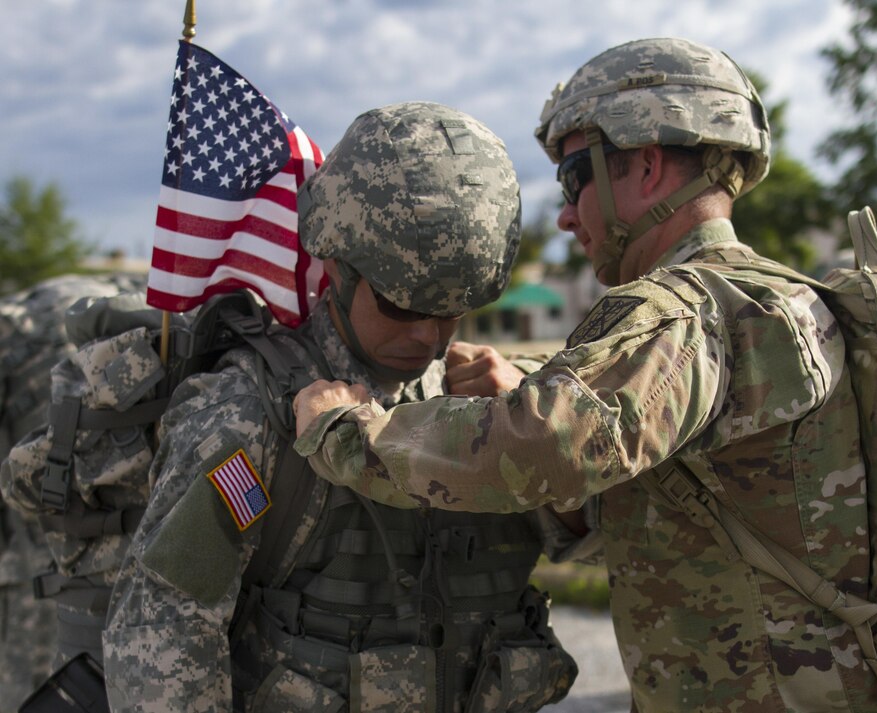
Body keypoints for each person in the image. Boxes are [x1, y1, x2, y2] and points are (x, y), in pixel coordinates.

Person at [292, 39, 877, 712]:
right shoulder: (790, 298)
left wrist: (349, 433)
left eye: (576, 176)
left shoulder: (680, 312)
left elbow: (553, 445)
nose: (569, 212)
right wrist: (526, 390)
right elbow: (677, 505)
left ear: (649, 166)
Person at [103, 102, 580, 712]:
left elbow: (579, 541)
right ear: (336, 265)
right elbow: (163, 626)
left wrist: (535, 430)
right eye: (404, 307)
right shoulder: (253, 413)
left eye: (455, 309)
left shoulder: (493, 398)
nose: (431, 337)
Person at [0, 273, 145, 711]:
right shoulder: (109, 303)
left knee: (30, 680)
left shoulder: (18, 328)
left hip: (33, 562)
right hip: (116, 566)